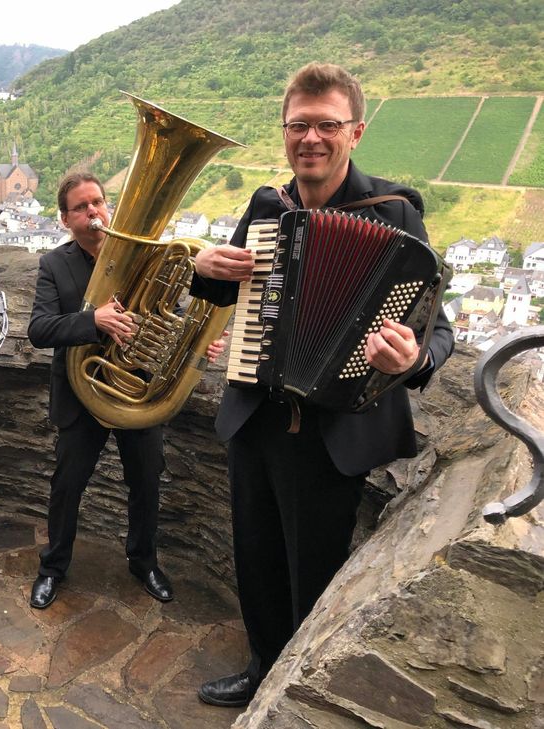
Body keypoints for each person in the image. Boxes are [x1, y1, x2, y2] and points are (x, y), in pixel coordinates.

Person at [191, 62, 455, 708]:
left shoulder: (394, 213)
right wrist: (203, 266)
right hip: (256, 419)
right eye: (299, 125)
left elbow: (438, 331)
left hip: (333, 436)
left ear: (355, 132)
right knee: (256, 559)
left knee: (315, 573)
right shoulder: (267, 206)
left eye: (327, 125)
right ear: (285, 131)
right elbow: (226, 289)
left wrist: (412, 356)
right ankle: (261, 670)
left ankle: (299, 695)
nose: (311, 138)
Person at [26, 171, 223, 610]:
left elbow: (173, 315)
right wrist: (91, 320)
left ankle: (144, 562)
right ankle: (52, 568)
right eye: (81, 207)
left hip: (138, 391)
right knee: (67, 486)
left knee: (146, 482)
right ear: (65, 219)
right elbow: (39, 329)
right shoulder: (54, 264)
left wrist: (200, 342)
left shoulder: (144, 256)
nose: (93, 211)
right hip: (82, 395)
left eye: (98, 202)